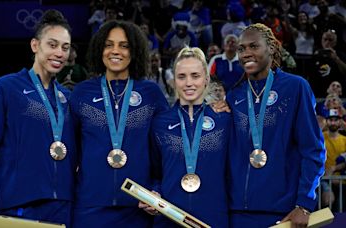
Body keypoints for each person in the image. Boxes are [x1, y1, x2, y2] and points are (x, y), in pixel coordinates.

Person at [0, 9, 77, 227]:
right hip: (19, 203)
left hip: (62, 205)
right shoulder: (6, 88)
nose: (60, 53)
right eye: (52, 45)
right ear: (35, 45)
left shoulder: (68, 99)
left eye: (65, 47)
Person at [69, 20, 169, 227]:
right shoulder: (82, 93)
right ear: (99, 49)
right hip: (89, 206)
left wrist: (157, 188)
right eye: (109, 44)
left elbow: (166, 150)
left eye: (124, 45)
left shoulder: (151, 93)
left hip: (138, 208)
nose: (116, 51)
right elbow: (70, 149)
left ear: (135, 51)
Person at [226, 23, 326, 227]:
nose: (246, 53)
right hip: (237, 213)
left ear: (271, 48)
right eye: (242, 49)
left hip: (282, 213)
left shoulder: (295, 87)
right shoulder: (234, 95)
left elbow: (313, 149)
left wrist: (304, 204)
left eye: (254, 46)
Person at [141, 46, 231, 227]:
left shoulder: (224, 120)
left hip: (212, 218)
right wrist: (154, 193)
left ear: (206, 80)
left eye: (195, 76)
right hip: (168, 219)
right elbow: (155, 173)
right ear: (173, 81)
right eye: (182, 77)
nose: (188, 83)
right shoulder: (159, 122)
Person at [321, 109, 346, 210]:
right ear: (326, 122)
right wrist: (327, 174)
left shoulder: (345, 140)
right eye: (330, 120)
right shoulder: (320, 138)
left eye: (336, 120)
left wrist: (334, 169)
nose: (333, 122)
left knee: (341, 207)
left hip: (342, 180)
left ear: (340, 122)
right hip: (324, 179)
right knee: (327, 200)